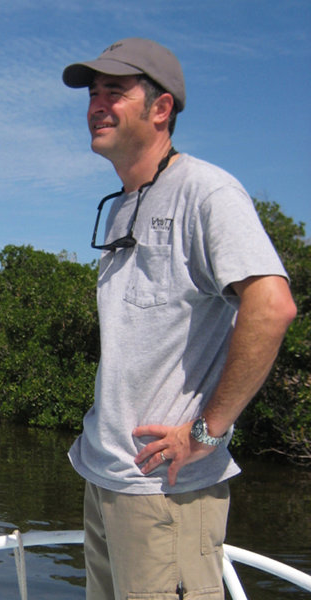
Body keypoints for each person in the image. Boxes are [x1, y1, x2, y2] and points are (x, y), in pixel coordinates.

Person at [61, 38, 297, 599]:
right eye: (93, 93)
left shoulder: (205, 191)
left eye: (114, 92)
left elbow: (272, 304)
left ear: (161, 108)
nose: (96, 105)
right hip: (106, 479)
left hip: (164, 493)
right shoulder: (126, 202)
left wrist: (208, 432)